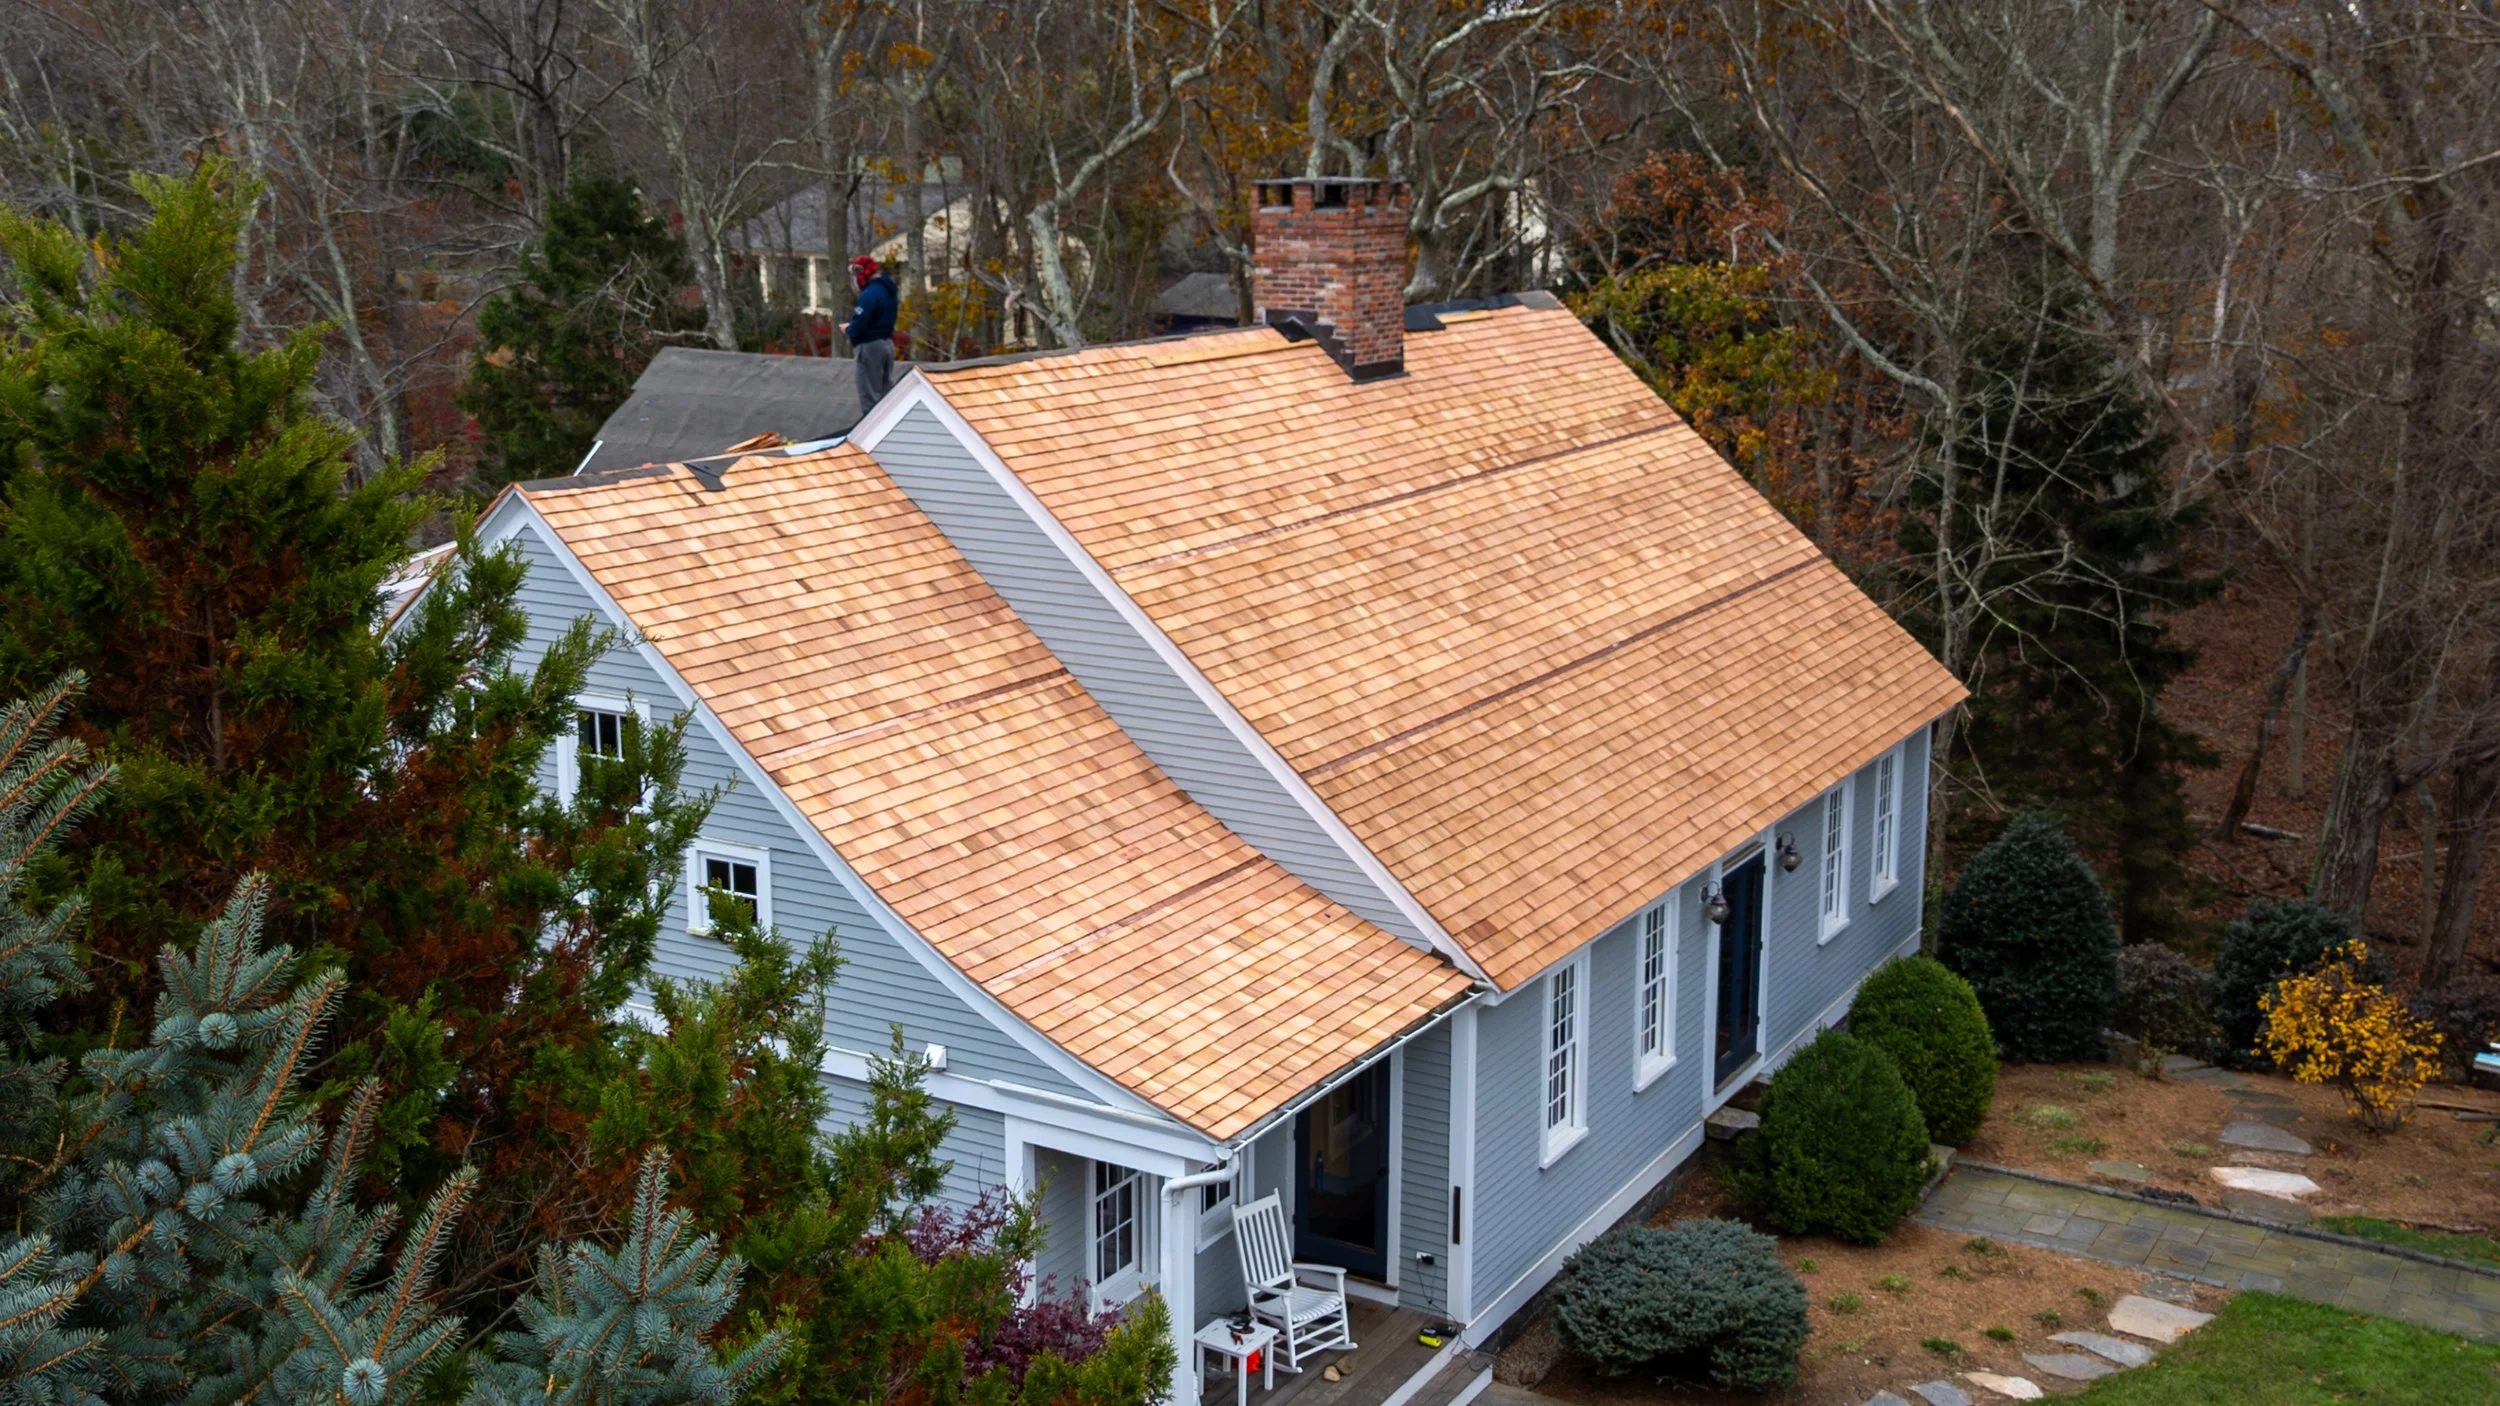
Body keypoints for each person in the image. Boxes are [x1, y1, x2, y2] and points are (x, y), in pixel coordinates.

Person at [845, 255, 899, 412]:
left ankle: (870, 433)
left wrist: (849, 329)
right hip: (887, 344)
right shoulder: (888, 291)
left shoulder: (869, 294)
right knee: (886, 395)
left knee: (870, 398)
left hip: (870, 347)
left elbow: (860, 323)